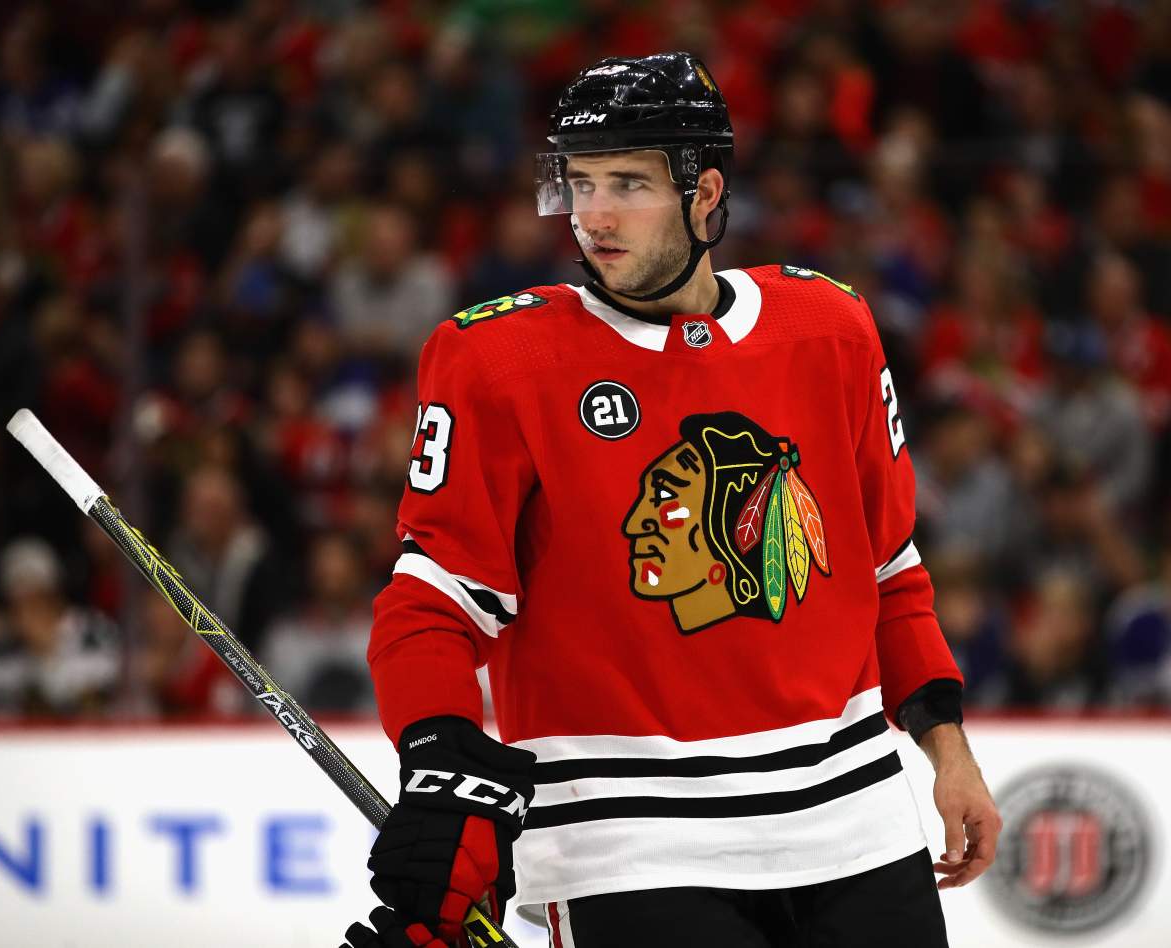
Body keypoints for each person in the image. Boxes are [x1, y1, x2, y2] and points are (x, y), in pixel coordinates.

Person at [344, 53, 1001, 948]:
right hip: (627, 845)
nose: (596, 215)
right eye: (579, 183)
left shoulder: (830, 327)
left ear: (705, 194)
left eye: (629, 182)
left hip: (855, 825)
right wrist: (439, 755)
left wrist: (947, 747)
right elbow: (430, 605)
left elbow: (890, 568)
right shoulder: (495, 360)